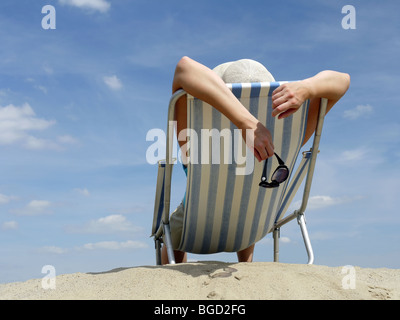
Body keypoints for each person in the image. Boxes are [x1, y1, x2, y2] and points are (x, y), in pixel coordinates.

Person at [161, 56, 350, 264]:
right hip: (251, 230)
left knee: (175, 230)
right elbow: (343, 80)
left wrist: (245, 122)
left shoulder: (196, 135)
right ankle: (247, 267)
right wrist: (307, 88)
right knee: (247, 204)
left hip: (193, 230)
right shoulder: (284, 136)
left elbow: (184, 68)